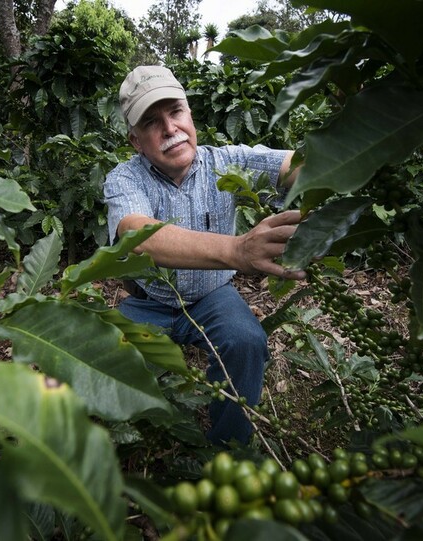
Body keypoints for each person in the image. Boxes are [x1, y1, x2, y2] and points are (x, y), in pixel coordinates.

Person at [103, 65, 305, 446]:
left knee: (245, 341)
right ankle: (129, 441)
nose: (170, 129)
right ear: (135, 140)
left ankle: (229, 449)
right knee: (100, 356)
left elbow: (293, 165)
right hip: (150, 302)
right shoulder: (124, 179)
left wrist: (341, 164)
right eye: (151, 122)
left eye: (175, 112)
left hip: (213, 296)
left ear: (190, 114)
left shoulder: (226, 162)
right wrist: (237, 250)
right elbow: (137, 235)